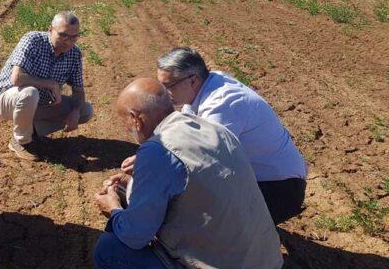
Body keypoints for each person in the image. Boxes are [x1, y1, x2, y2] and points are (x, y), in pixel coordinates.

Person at [94, 78, 282, 269]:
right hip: (266, 260)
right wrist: (133, 181)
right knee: (127, 196)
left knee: (109, 249)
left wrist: (113, 209)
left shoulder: (158, 149)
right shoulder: (214, 129)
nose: (127, 130)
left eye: (125, 123)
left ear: (136, 119)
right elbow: (192, 184)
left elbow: (135, 235)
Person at [156, 47, 307, 224]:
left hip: (279, 188)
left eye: (168, 86)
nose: (164, 92)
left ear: (192, 80)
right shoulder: (206, 84)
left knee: (203, 217)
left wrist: (155, 168)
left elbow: (204, 161)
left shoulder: (223, 104)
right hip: (262, 180)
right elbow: (186, 132)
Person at [0, 12, 93, 160]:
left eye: (73, 37)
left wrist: (76, 111)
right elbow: (17, 78)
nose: (68, 42)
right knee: (30, 93)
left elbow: (78, 90)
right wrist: (51, 84)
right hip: (6, 99)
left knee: (86, 110)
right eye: (63, 35)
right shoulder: (33, 40)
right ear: (50, 29)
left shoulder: (74, 54)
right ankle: (20, 141)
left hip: (38, 104)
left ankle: (32, 131)